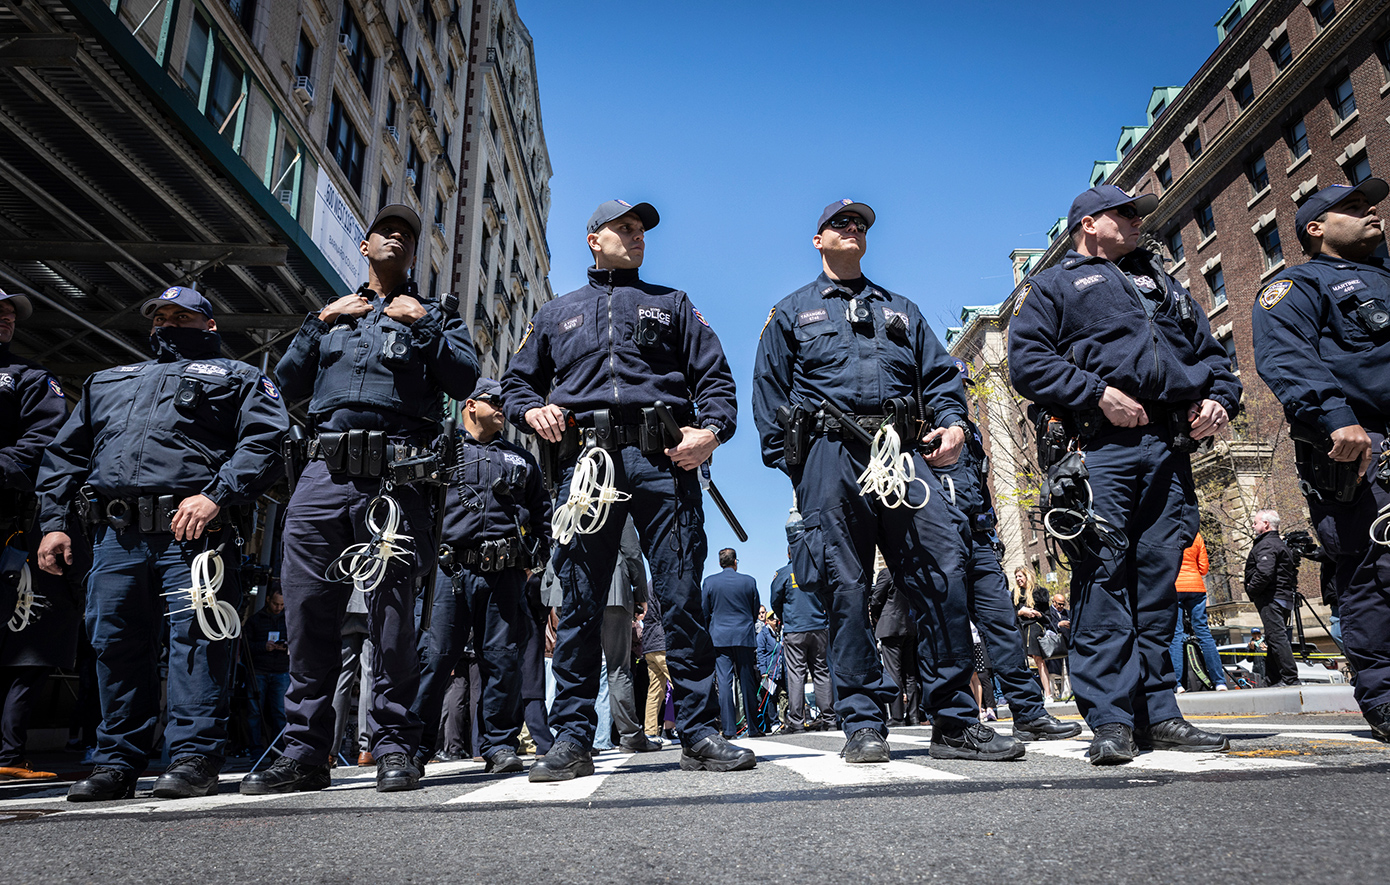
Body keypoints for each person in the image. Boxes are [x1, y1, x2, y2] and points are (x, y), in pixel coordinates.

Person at [753, 199, 1023, 763]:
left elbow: (942, 376)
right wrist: (802, 471)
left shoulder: (902, 310)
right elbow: (769, 398)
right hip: (830, 458)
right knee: (845, 589)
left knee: (942, 571)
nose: (853, 230)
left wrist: (951, 423)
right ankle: (862, 722)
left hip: (902, 454)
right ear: (818, 240)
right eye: (841, 224)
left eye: (862, 225)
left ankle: (952, 723)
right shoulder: (789, 313)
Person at [502, 198, 754, 780]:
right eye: (625, 228)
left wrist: (709, 433)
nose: (637, 236)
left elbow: (716, 380)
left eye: (641, 229)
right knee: (582, 598)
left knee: (681, 593)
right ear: (593, 238)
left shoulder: (673, 304)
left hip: (663, 459)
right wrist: (531, 411)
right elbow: (516, 384)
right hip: (586, 466)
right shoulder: (555, 312)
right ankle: (571, 737)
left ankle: (698, 731)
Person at [243, 203, 478, 795]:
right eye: (386, 232)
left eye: (407, 236)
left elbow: (465, 379)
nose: (396, 239)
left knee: (394, 622)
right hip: (322, 476)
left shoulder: (438, 315)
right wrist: (317, 323)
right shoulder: (332, 316)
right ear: (366, 246)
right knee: (306, 615)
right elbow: (282, 386)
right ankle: (305, 752)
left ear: (414, 254)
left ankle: (396, 745)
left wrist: (423, 324)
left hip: (398, 477)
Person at [1009, 184, 1241, 764]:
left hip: (1168, 444)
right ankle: (1111, 719)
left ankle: (1159, 712)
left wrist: (1220, 397)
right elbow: (1027, 362)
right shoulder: (1055, 286)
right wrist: (1097, 394)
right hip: (1102, 446)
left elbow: (1211, 353)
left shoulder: (1160, 281)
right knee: (1104, 579)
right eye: (1126, 213)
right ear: (1089, 223)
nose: (1139, 222)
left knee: (1158, 581)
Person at [36, 286, 289, 800]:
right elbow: (64, 455)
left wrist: (217, 495)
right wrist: (54, 522)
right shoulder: (107, 380)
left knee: (197, 646)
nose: (168, 323)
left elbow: (265, 442)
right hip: (116, 538)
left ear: (209, 325)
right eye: (161, 316)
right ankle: (116, 763)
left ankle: (194, 759)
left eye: (183, 316)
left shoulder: (240, 377)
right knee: (114, 646)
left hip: (194, 536)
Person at [1250, 179, 1390, 739]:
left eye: (1370, 203)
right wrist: (1338, 419)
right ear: (1316, 228)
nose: (1370, 212)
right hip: (1364, 448)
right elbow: (1287, 360)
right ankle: (1383, 697)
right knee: (1375, 574)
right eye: (1352, 208)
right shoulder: (1294, 287)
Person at [408, 377, 550, 775]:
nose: (504, 407)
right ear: (470, 405)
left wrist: (534, 557)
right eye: (495, 401)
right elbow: (416, 504)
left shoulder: (521, 458)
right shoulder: (442, 450)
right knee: (434, 659)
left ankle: (500, 745)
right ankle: (415, 749)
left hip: (504, 576)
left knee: (503, 663)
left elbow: (541, 511)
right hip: (448, 572)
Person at [0, 288, 76, 782]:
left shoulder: (29, 377)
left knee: (24, 640)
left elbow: (47, 440)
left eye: (9, 315)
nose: (6, 319)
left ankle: (8, 751)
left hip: (9, 526)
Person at [602, 518, 657, 752]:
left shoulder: (568, 498)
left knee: (578, 668)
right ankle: (630, 735)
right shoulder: (616, 504)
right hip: (613, 591)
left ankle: (576, 737)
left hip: (575, 590)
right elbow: (632, 551)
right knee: (617, 668)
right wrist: (640, 592)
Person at [770, 550, 835, 732]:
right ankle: (829, 718)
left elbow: (775, 601)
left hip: (795, 628)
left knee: (796, 675)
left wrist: (786, 618)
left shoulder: (783, 573)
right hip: (818, 626)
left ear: (789, 554)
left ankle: (797, 721)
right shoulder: (816, 571)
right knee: (821, 672)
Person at [702, 548, 761, 738]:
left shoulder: (710, 582)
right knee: (748, 681)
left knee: (725, 683)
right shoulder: (749, 581)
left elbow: (705, 611)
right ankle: (753, 727)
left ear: (720, 563)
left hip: (719, 637)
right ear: (736, 561)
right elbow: (754, 611)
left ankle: (728, 730)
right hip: (744, 635)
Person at [1243, 511, 1300, 687]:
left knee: (1276, 637)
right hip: (1282, 597)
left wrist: (1252, 590)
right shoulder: (1279, 544)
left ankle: (1290, 679)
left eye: (1255, 523)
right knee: (1273, 638)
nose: (1252, 526)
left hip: (1271, 598)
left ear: (1266, 524)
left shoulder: (1266, 545)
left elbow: (1264, 572)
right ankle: (1273, 679)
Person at [1170, 533, 1228, 692]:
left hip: (1175, 587)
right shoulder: (1196, 536)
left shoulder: (1167, 531)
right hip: (1196, 587)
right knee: (1204, 633)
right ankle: (1220, 681)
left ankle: (1178, 684)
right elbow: (1204, 568)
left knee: (1176, 634)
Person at [869, 567, 920, 726]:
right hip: (910, 626)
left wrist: (875, 616)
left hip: (891, 626)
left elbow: (876, 599)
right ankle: (913, 715)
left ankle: (897, 716)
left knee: (893, 671)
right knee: (910, 674)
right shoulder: (911, 572)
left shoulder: (887, 572)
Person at [245, 588, 291, 754]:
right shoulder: (255, 620)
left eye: (281, 605)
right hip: (259, 670)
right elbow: (245, 647)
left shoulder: (288, 620)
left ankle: (278, 750)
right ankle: (255, 749)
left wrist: (284, 646)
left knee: (280, 712)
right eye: (275, 603)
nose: (278, 607)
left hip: (281, 670)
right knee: (254, 712)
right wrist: (263, 647)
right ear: (268, 600)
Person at [1013, 568, 1053, 702]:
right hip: (1020, 629)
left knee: (1039, 660)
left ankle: (1048, 693)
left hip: (1034, 628)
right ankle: (1030, 694)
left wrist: (1037, 614)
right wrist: (1020, 612)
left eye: (1020, 576)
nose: (1018, 579)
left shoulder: (1038, 592)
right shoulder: (1015, 594)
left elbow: (1048, 617)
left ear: (1027, 576)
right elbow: (1009, 615)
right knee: (1023, 662)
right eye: (1016, 576)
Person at [641, 587, 670, 744]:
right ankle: (691, 727)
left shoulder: (647, 587)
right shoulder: (661, 585)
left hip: (649, 643)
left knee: (655, 690)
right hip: (662, 642)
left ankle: (650, 731)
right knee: (679, 684)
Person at [756, 612, 784, 733]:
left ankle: (784, 719)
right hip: (769, 671)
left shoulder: (780, 632)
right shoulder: (763, 634)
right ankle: (774, 722)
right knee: (770, 698)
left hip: (781, 670)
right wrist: (763, 670)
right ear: (767, 621)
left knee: (784, 695)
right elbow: (760, 653)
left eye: (775, 618)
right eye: (772, 618)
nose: (775, 620)